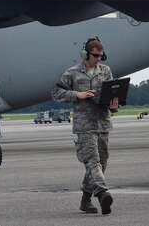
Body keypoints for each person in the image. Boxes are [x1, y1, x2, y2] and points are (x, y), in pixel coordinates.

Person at [51, 37, 119, 215]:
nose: (98, 59)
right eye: (95, 55)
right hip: (84, 125)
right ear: (85, 54)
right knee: (92, 161)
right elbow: (56, 93)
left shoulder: (105, 71)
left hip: (103, 122)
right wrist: (77, 94)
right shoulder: (73, 72)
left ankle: (85, 200)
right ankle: (103, 193)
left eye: (101, 56)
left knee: (102, 163)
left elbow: (112, 92)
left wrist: (115, 105)